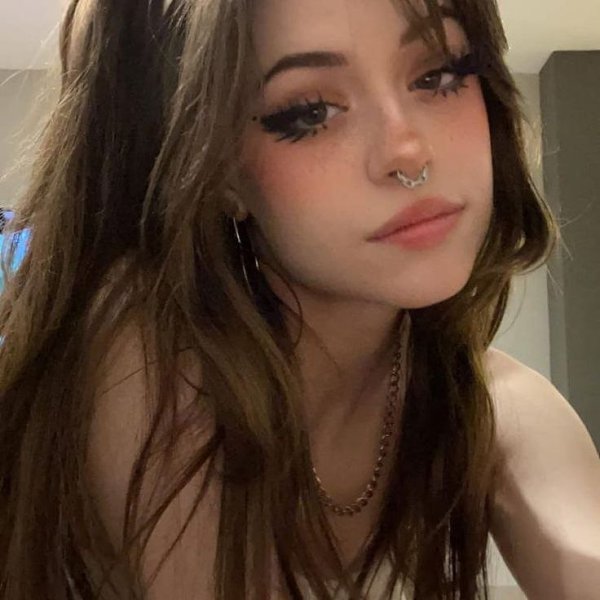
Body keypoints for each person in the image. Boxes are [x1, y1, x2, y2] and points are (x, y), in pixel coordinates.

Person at [0, 0, 598, 598]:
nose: (409, 153)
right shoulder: (144, 350)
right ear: (221, 175)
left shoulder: (488, 401)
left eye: (438, 75)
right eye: (310, 112)